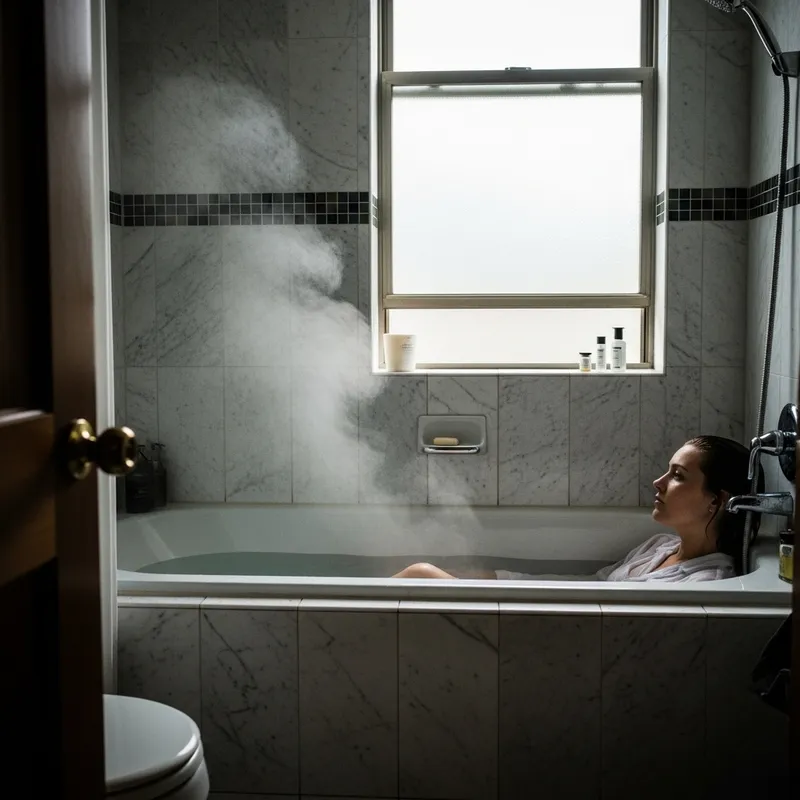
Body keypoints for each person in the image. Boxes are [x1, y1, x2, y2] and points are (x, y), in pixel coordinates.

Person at [392, 435, 762, 583]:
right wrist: (500, 580)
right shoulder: (660, 547)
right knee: (444, 574)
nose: (658, 482)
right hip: (559, 619)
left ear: (717, 500)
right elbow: (592, 586)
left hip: (560, 641)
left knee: (420, 573)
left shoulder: (705, 584)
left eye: (678, 476)